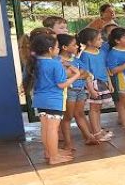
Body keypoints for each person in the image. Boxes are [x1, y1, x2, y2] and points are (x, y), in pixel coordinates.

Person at [25, 34, 82, 165]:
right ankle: (54, 156)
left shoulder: (35, 62)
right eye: (57, 48)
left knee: (45, 128)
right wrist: (76, 75)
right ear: (50, 49)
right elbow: (61, 84)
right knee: (52, 130)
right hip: (54, 100)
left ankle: (49, 152)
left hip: (40, 100)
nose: (58, 51)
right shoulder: (54, 64)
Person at [57, 33, 97, 148]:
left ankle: (88, 136)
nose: (77, 47)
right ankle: (68, 143)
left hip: (79, 89)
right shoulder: (58, 61)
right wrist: (78, 74)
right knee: (68, 117)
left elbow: (86, 73)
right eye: (74, 45)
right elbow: (63, 76)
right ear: (64, 47)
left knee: (79, 113)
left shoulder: (75, 60)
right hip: (69, 90)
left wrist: (75, 74)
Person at [76, 28, 114, 142]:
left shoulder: (101, 52)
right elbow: (86, 73)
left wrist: (109, 82)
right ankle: (96, 132)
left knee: (98, 108)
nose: (101, 41)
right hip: (94, 83)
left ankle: (98, 130)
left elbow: (105, 68)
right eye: (98, 39)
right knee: (94, 108)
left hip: (103, 83)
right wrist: (91, 89)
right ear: (89, 42)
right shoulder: (85, 55)